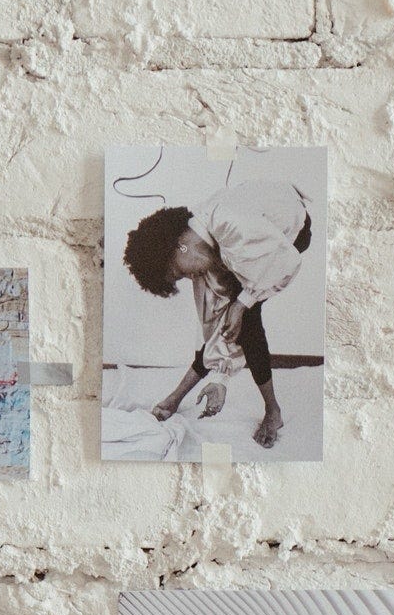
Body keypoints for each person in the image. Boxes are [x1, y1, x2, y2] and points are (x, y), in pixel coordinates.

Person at [121, 173, 314, 452]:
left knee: (247, 319)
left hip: (288, 234)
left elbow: (286, 263)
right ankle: (173, 399)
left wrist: (243, 301)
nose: (187, 278)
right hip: (246, 236)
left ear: (179, 246)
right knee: (225, 313)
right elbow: (214, 327)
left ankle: (274, 413)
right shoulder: (200, 245)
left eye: (177, 273)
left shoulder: (230, 225)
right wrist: (219, 379)